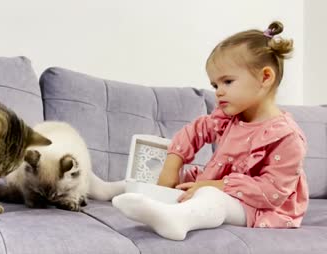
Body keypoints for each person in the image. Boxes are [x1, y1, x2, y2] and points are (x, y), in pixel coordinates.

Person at [112, 21, 309, 241]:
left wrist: (213, 185)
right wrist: (171, 167)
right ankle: (109, 189)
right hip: (216, 185)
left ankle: (178, 220)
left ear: (265, 77)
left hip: (261, 207)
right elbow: (193, 133)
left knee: (212, 197)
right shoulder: (228, 117)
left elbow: (272, 192)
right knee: (175, 178)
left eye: (227, 81)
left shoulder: (287, 137)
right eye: (215, 85)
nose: (218, 92)